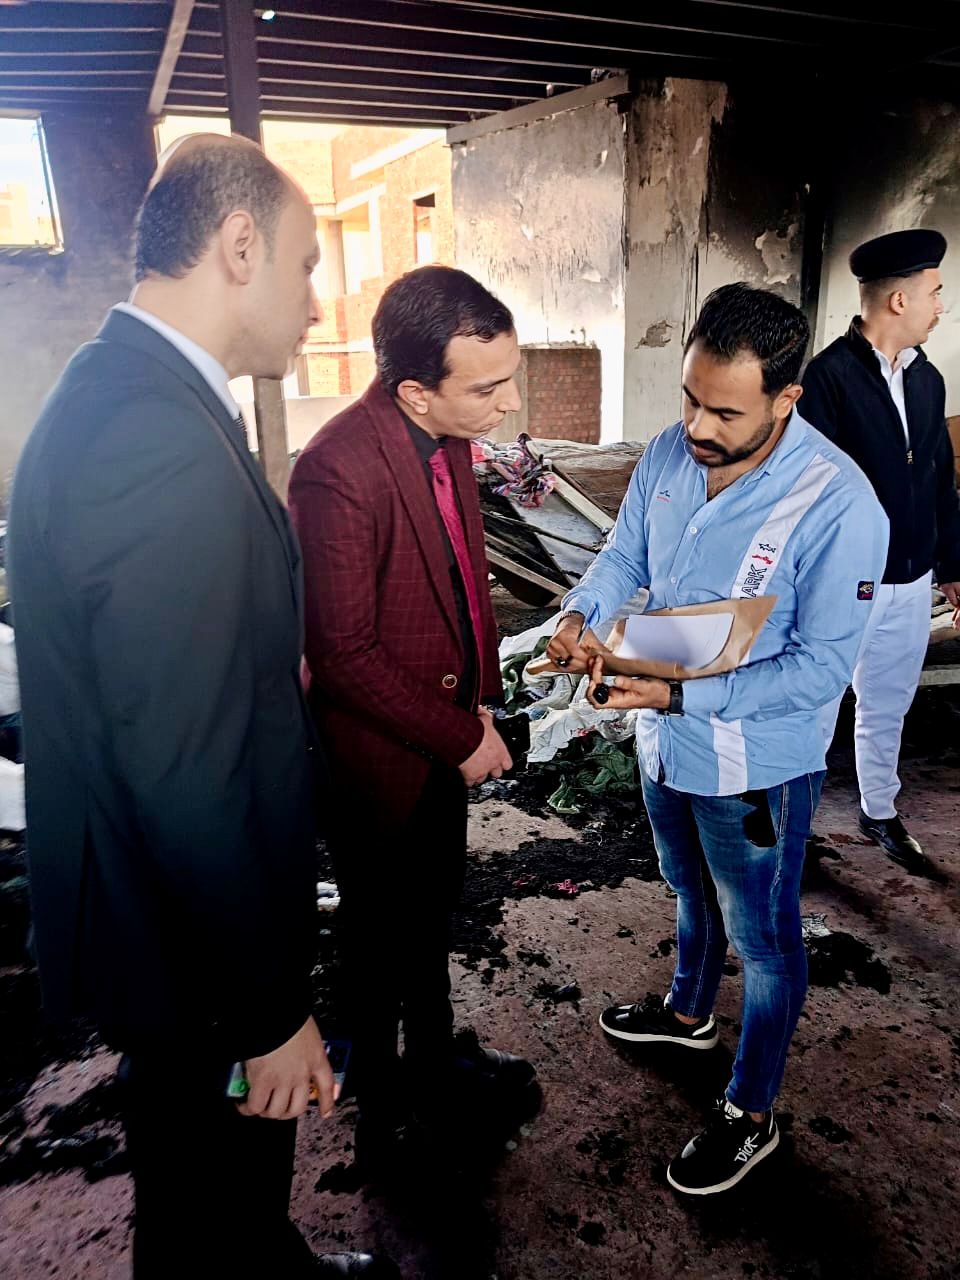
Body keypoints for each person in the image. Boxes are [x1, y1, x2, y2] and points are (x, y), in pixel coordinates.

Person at [8, 134, 398, 1279]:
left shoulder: (141, 391)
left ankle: (264, 1252)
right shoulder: (150, 437)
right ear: (238, 246)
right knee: (198, 1185)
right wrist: (269, 1007)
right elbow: (184, 765)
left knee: (219, 1165)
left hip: (176, 913)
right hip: (183, 930)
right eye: (306, 264)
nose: (315, 299)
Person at [547, 283, 888, 1197]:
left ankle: (752, 1110)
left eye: (725, 412)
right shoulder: (670, 451)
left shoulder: (840, 505)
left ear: (787, 398)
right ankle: (689, 1013)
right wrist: (581, 616)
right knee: (687, 886)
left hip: (754, 769)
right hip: (662, 740)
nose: (696, 426)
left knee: (766, 939)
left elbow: (820, 671)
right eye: (690, 398)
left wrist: (677, 695)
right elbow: (625, 555)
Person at [288, 265, 538, 1179]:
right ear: (413, 391)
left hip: (440, 729)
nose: (509, 404)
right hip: (381, 758)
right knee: (377, 938)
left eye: (509, 379)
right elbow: (342, 654)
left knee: (428, 915)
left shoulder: (448, 436)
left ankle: (432, 1064)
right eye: (488, 387)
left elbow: (462, 580)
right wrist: (461, 735)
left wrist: (484, 693)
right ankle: (382, 1112)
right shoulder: (336, 470)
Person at [801, 229, 957, 872]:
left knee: (888, 702)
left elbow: (940, 478)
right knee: (814, 706)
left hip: (912, 578)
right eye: (934, 292)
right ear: (899, 300)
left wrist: (951, 567)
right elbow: (807, 491)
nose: (940, 305)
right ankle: (795, 827)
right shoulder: (828, 378)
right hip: (846, 582)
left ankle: (880, 811)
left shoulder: (928, 380)